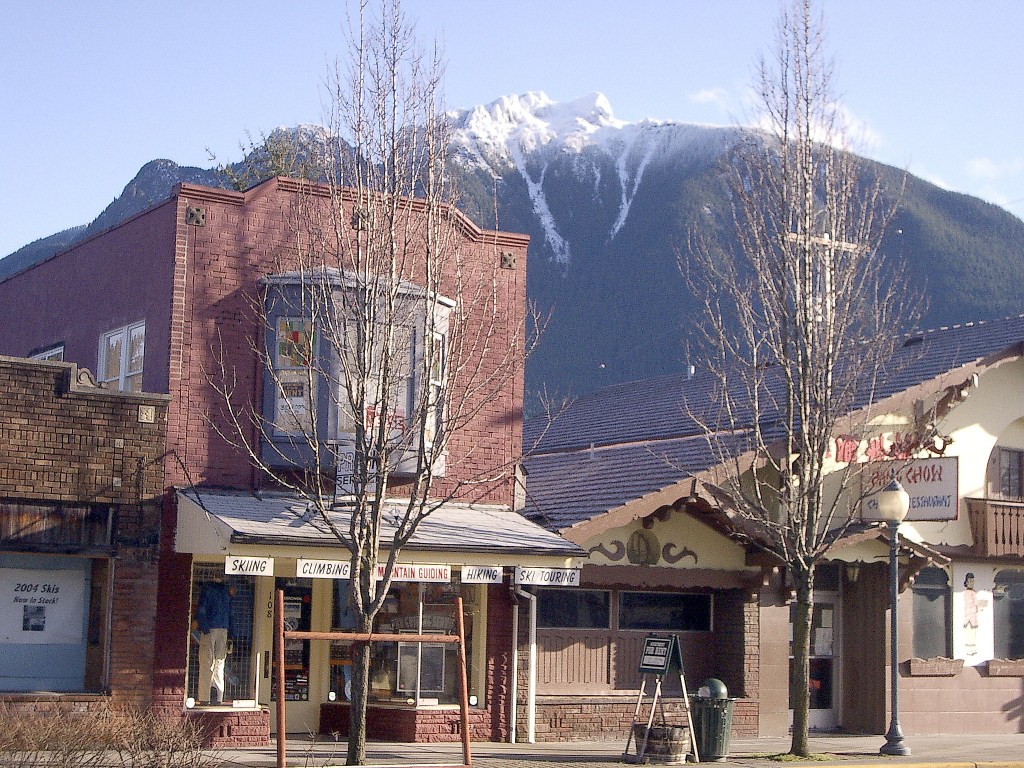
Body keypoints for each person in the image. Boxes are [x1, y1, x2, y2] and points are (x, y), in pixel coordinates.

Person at [193, 579, 233, 704]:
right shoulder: (226, 591)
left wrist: (204, 628)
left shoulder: (208, 589)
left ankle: (205, 698)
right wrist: (231, 633)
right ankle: (218, 697)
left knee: (207, 663)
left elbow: (201, 609)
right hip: (223, 628)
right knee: (219, 663)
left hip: (210, 628)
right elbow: (230, 613)